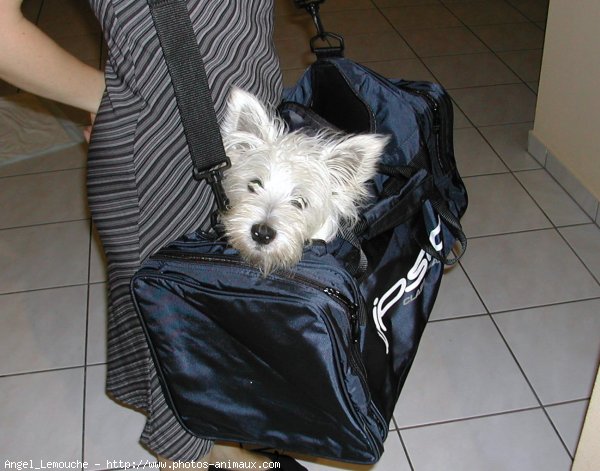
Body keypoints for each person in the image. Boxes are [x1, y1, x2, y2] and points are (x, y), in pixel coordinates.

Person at [0, 1, 304, 468]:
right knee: (173, 325)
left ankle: (217, 436)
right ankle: (186, 454)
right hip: (161, 153)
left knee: (222, 305)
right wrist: (105, 95)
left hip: (250, 132)